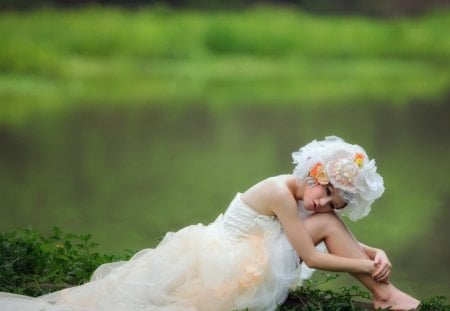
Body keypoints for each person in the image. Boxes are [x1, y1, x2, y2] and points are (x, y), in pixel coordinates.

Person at [0, 136, 420, 311]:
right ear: (314, 174)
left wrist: (374, 252)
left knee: (328, 224)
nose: (324, 202)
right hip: (233, 264)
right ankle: (388, 297)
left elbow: (337, 236)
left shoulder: (311, 201)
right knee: (325, 226)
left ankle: (386, 298)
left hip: (251, 252)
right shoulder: (278, 190)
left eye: (335, 201)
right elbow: (312, 252)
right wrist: (365, 266)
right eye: (324, 191)